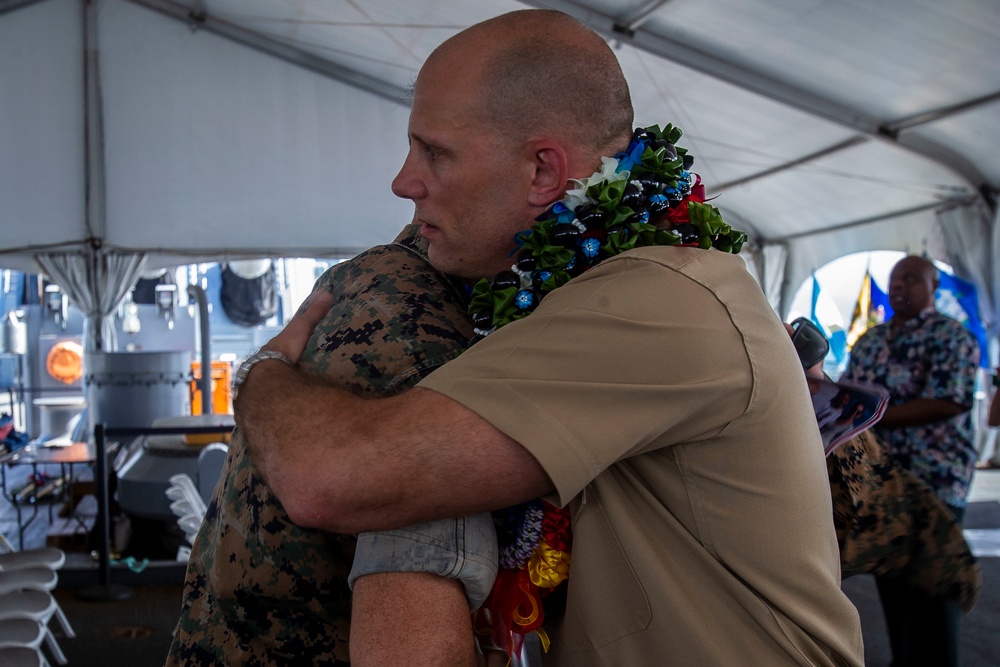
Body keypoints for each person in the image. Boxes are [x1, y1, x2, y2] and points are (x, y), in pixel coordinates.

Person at [237, 9, 864, 665]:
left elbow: (329, 478)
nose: (404, 180)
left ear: (542, 172)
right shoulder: (574, 291)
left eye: (434, 151)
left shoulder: (663, 300)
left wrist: (264, 369)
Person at [166, 225, 496, 666]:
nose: (404, 182)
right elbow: (412, 652)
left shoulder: (358, 280)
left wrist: (258, 371)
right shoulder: (428, 353)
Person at [842, 254, 979, 667]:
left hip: (934, 480)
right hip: (881, 480)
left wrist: (872, 418)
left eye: (911, 278)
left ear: (934, 287)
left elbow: (948, 401)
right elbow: (849, 392)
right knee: (894, 581)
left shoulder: (951, 336)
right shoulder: (871, 339)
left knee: (932, 589)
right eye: (895, 278)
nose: (900, 285)